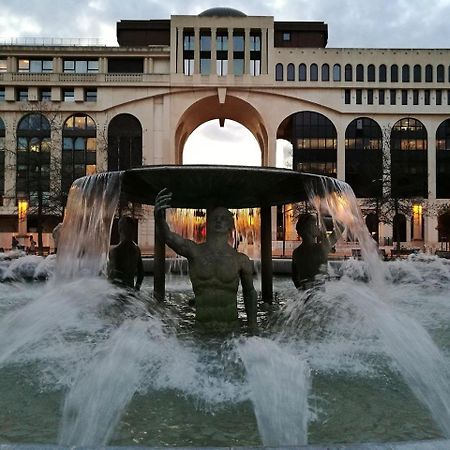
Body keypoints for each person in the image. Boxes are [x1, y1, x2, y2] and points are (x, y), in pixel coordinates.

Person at [154, 188, 257, 329]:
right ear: (208, 223)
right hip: (201, 330)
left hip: (230, 330)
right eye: (215, 218)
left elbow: (249, 293)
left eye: (224, 218)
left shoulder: (241, 260)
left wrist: (253, 324)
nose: (219, 221)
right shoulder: (195, 251)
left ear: (231, 226)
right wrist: (159, 218)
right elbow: (168, 237)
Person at [291, 214, 341, 290]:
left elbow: (295, 278)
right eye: (315, 225)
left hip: (305, 297)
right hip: (320, 296)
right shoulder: (321, 248)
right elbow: (340, 228)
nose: (318, 227)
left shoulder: (296, 253)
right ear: (310, 229)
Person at [107, 216, 144, 290]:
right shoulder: (136, 250)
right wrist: (137, 288)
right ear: (133, 230)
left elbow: (113, 276)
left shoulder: (115, 251)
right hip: (130, 292)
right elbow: (141, 273)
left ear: (119, 229)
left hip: (117, 294)